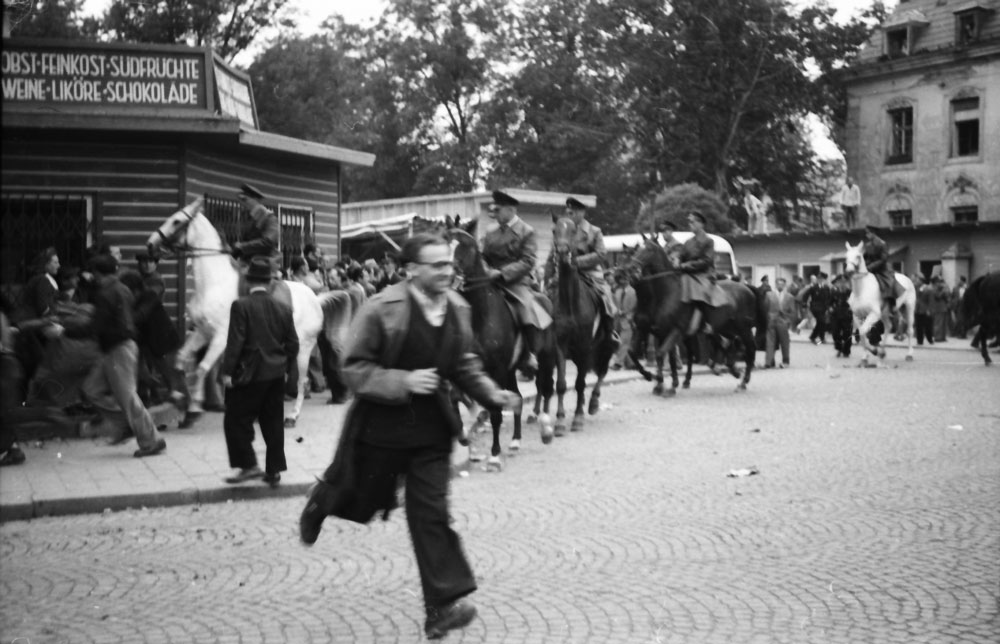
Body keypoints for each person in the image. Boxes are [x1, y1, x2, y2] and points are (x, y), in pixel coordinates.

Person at [297, 233, 518, 640]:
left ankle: (440, 608)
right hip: (381, 430)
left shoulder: (458, 306)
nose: (447, 272)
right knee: (360, 500)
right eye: (437, 265)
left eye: (449, 264)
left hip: (433, 431)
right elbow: (353, 368)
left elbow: (463, 360)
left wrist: (490, 392)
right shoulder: (383, 308)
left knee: (430, 515)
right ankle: (320, 503)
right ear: (412, 269)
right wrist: (404, 379)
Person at [77, 254, 167, 458]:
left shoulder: (106, 294)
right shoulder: (120, 288)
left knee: (127, 397)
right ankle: (125, 424)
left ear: (98, 274)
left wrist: (65, 331)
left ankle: (151, 440)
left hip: (118, 348)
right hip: (117, 347)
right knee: (92, 390)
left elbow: (95, 326)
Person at [220, 257, 299, 486]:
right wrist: (283, 364)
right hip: (275, 375)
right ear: (269, 282)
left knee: (235, 419)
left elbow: (235, 342)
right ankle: (273, 471)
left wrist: (227, 372)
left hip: (249, 375)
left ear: (249, 280)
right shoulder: (283, 308)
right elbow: (293, 344)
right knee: (273, 422)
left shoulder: (241, 305)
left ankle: (248, 465)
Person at [481, 190, 553, 374]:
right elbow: (483, 256)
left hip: (516, 282)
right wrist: (485, 269)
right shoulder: (490, 231)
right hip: (490, 279)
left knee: (527, 308)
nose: (495, 214)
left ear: (511, 209)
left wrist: (502, 273)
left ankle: (530, 354)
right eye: (494, 210)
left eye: (498, 210)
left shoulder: (526, 231)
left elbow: (528, 261)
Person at [559, 196, 620, 345]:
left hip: (589, 273)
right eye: (567, 212)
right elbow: (555, 251)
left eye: (572, 212)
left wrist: (577, 262)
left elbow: (601, 253)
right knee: (549, 294)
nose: (569, 215)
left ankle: (609, 331)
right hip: (566, 273)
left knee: (605, 297)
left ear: (581, 213)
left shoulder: (594, 231)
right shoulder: (563, 230)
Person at [677, 211, 728, 335]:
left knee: (701, 292)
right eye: (689, 222)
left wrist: (688, 265)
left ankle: (708, 323)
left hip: (704, 274)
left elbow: (707, 260)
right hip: (687, 274)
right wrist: (677, 261)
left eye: (692, 222)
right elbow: (681, 255)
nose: (690, 224)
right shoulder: (688, 242)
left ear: (701, 224)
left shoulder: (708, 241)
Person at [231, 184, 280, 274]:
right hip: (247, 262)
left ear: (256, 200)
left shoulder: (270, 218)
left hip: (263, 264)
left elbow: (268, 242)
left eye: (245, 200)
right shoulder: (250, 219)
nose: (243, 203)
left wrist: (242, 246)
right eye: (241, 200)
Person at [862, 225, 906, 309]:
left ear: (873, 233)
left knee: (889, 283)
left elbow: (883, 259)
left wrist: (870, 267)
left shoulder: (882, 244)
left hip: (882, 269)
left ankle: (891, 304)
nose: (866, 235)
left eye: (868, 233)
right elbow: (866, 257)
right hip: (870, 269)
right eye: (866, 233)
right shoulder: (867, 245)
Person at [764, 277, 795, 368]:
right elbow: (765, 308)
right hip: (771, 321)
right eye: (778, 284)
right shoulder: (769, 295)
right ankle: (769, 362)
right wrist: (768, 318)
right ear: (775, 284)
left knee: (784, 342)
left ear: (785, 285)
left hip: (783, 321)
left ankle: (785, 361)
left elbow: (792, 311)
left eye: (782, 284)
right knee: (770, 342)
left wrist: (788, 321)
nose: (780, 286)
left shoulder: (789, 297)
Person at [609, 269, 637, 370]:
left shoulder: (633, 292)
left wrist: (623, 312)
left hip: (628, 320)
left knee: (625, 342)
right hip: (617, 320)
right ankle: (629, 363)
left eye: (626, 279)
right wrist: (617, 311)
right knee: (617, 342)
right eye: (622, 279)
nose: (624, 281)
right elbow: (615, 304)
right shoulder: (618, 291)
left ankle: (618, 363)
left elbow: (632, 307)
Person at [803, 272, 832, 345]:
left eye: (822, 279)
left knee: (820, 323)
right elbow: (805, 295)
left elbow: (829, 297)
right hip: (815, 307)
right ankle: (819, 337)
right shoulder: (813, 287)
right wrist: (804, 305)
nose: (820, 280)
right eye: (819, 279)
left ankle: (815, 337)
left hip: (824, 308)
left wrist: (829, 306)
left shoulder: (826, 287)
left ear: (824, 279)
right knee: (822, 322)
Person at [829, 274, 854, 358]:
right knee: (835, 333)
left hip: (847, 314)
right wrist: (830, 308)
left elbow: (854, 302)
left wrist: (852, 308)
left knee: (847, 333)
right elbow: (829, 302)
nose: (842, 284)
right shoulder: (833, 291)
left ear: (846, 283)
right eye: (840, 282)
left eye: (844, 282)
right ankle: (839, 348)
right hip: (835, 314)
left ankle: (846, 351)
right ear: (837, 283)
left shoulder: (849, 292)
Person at [914, 274, 934, 346]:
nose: (916, 281)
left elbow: (931, 301)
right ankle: (920, 340)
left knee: (927, 326)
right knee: (918, 326)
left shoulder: (928, 289)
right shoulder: (917, 288)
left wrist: (929, 310)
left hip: (925, 309)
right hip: (918, 309)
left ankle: (930, 339)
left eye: (918, 280)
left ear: (921, 281)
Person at [931, 276, 950, 342]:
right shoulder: (933, 287)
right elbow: (937, 296)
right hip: (938, 308)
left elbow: (946, 296)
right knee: (938, 323)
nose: (940, 283)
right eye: (938, 282)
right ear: (936, 282)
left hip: (943, 307)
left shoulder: (940, 288)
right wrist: (943, 291)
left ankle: (943, 337)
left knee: (944, 324)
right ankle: (937, 337)